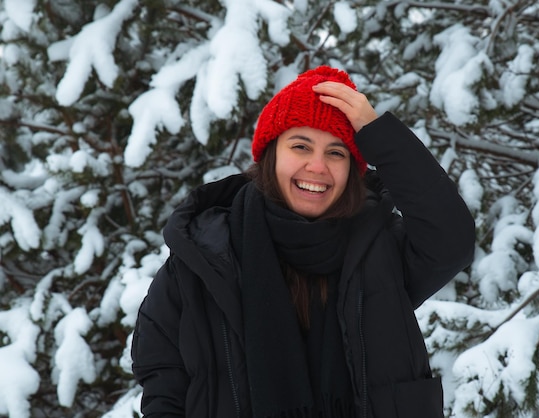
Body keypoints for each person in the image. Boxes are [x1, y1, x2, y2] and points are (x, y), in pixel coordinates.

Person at [131, 65, 475, 418]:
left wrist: (379, 133)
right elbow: (163, 380)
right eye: (300, 146)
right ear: (271, 155)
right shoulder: (202, 259)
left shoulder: (380, 248)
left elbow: (451, 240)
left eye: (336, 153)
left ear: (353, 170)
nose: (317, 167)